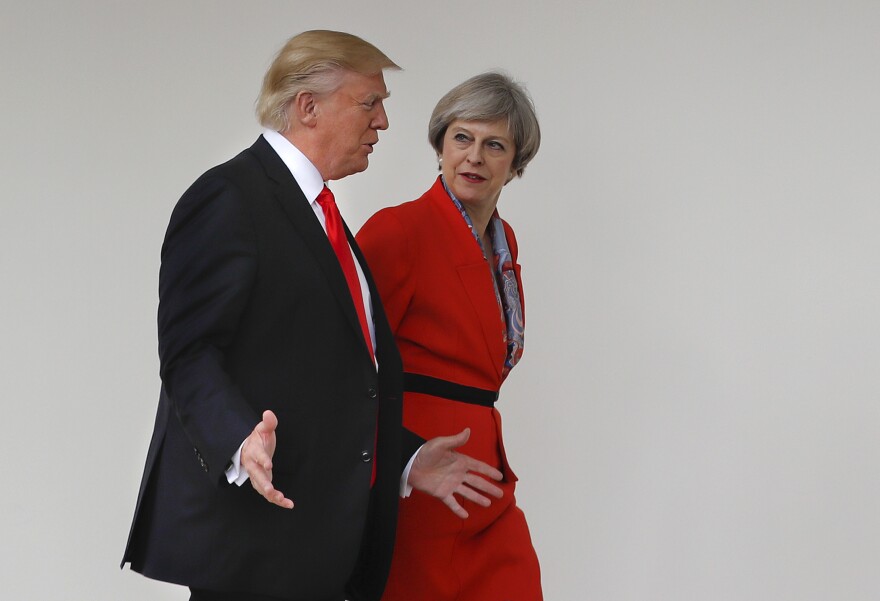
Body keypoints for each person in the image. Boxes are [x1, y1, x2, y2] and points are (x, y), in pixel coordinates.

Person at [121, 31, 504, 601]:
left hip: (326, 550)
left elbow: (339, 380)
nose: (383, 123)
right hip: (258, 550)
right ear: (309, 107)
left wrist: (408, 457)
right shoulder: (229, 196)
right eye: (370, 103)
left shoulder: (325, 217)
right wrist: (237, 437)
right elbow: (188, 352)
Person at [356, 72, 543, 600]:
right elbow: (347, 363)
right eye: (461, 137)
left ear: (516, 162)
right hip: (421, 480)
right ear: (440, 144)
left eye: (494, 145)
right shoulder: (399, 230)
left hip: (487, 481)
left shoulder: (503, 241)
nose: (474, 157)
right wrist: (403, 457)